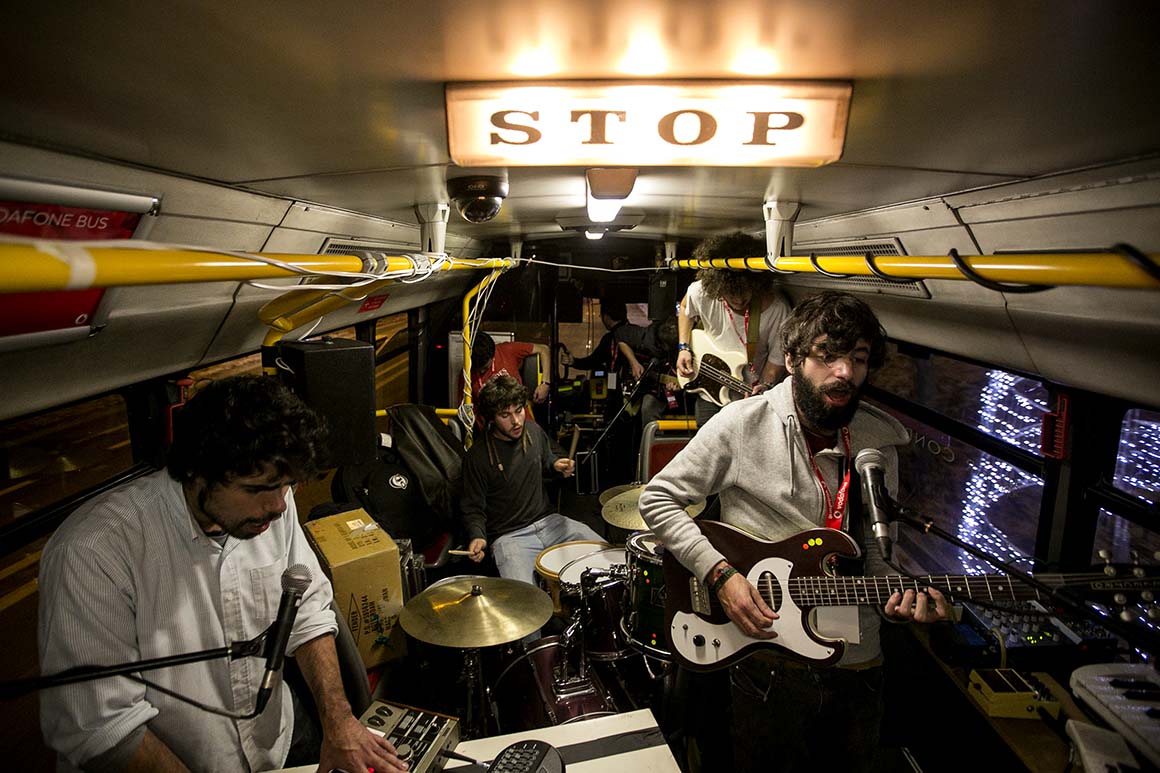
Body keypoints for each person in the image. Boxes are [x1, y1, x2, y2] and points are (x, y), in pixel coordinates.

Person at [641, 291, 950, 773]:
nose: (844, 372)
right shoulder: (741, 424)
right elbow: (657, 499)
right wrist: (719, 574)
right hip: (768, 659)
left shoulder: (878, 447)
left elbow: (876, 555)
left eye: (858, 359)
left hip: (858, 661)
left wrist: (897, 598)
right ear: (792, 359)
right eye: (827, 355)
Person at [38, 376, 407, 773]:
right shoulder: (94, 551)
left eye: (287, 486)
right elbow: (102, 727)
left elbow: (308, 613)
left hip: (277, 740)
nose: (280, 507)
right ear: (196, 473)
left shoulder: (267, 511)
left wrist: (339, 723)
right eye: (257, 489)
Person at [461, 375, 603, 584]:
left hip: (550, 522)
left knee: (604, 557)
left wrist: (556, 465)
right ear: (492, 418)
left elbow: (546, 459)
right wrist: (478, 536)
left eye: (519, 411)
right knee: (525, 597)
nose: (516, 421)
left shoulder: (534, 432)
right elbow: (473, 506)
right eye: (505, 415)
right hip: (509, 536)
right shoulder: (478, 456)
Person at [676, 232, 791, 428]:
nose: (738, 300)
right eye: (730, 293)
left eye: (745, 292)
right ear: (717, 287)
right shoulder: (701, 291)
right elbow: (686, 307)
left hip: (748, 399)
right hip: (708, 393)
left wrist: (764, 385)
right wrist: (683, 347)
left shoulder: (777, 309)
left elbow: (777, 357)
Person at [468, 332, 551, 428]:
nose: (482, 371)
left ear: (493, 356)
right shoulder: (467, 374)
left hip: (523, 423)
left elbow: (544, 349)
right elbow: (468, 411)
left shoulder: (506, 350)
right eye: (478, 369)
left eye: (485, 367)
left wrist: (545, 383)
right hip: (493, 430)